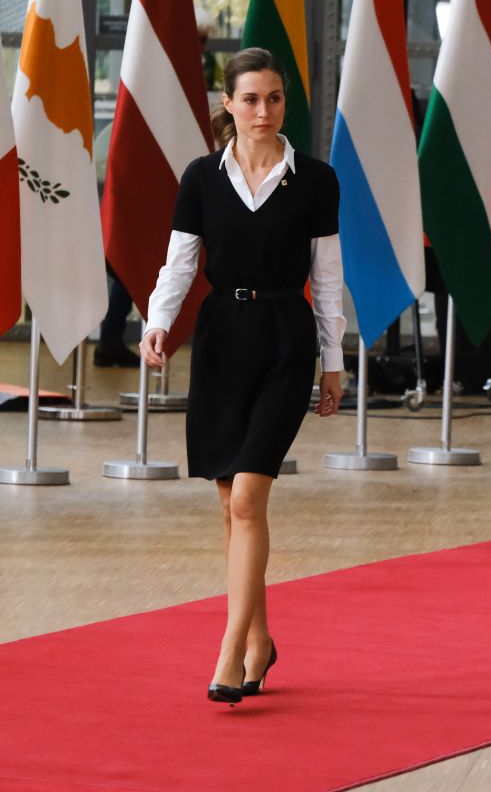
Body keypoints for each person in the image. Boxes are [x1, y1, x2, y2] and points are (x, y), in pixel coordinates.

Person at [139, 48, 346, 704]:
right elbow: (179, 263)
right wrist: (157, 322)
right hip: (221, 340)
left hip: (286, 339)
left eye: (274, 98)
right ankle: (259, 640)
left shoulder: (316, 181)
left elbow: (327, 279)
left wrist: (334, 360)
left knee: (250, 497)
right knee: (230, 502)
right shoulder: (201, 177)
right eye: (251, 99)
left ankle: (229, 652)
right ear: (228, 103)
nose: (264, 110)